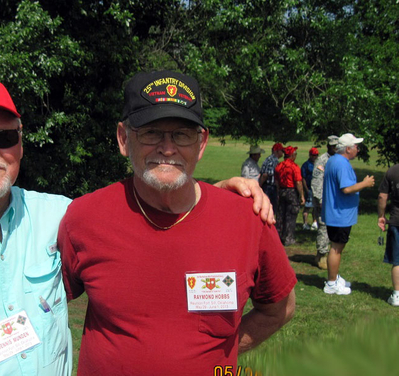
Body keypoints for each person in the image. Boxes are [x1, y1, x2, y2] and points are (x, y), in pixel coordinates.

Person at [0, 76, 274, 376]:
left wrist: (218, 193)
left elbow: (150, 195)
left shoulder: (62, 216)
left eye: (4, 137)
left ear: (20, 142)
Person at [58, 70, 296, 376]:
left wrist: (217, 355)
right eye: (151, 132)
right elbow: (44, 305)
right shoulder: (84, 217)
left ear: (201, 142)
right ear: (123, 138)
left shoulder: (247, 219)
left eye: (182, 134)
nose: (167, 148)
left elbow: (281, 308)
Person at [322, 133, 375, 295]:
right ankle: (331, 284)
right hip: (339, 214)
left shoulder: (333, 160)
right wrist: (365, 184)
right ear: (348, 149)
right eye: (356, 146)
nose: (358, 149)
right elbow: (346, 189)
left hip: (336, 212)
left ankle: (334, 277)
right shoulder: (342, 164)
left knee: (337, 246)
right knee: (336, 248)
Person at [311, 135, 339, 269]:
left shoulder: (337, 159)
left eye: (337, 146)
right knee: (323, 227)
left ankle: (326, 253)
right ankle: (322, 255)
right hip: (323, 200)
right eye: (333, 146)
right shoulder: (322, 160)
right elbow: (317, 182)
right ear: (328, 146)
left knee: (331, 227)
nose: (335, 148)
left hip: (334, 200)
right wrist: (320, 200)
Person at [377, 163, 399, 306]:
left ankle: (397, 295)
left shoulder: (393, 171)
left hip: (397, 220)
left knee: (397, 260)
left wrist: (381, 216)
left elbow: (382, 197)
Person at [275, 146, 305, 246]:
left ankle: (279, 236)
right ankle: (289, 238)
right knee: (291, 215)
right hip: (291, 192)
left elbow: (276, 181)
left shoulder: (279, 166)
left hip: (282, 191)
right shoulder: (294, 167)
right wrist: (302, 196)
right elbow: (298, 182)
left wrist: (278, 192)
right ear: (292, 155)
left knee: (280, 215)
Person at [260, 142, 285, 215]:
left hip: (268, 186)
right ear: (276, 151)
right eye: (281, 151)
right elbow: (266, 174)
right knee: (270, 207)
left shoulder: (268, 159)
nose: (282, 153)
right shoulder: (273, 161)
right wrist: (259, 185)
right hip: (269, 187)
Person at [301, 147, 319, 230]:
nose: (314, 157)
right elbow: (303, 178)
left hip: (317, 188)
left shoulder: (319, 164)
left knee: (316, 206)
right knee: (308, 206)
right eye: (313, 155)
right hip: (309, 188)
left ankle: (315, 222)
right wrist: (306, 189)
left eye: (316, 155)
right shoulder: (306, 165)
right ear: (310, 155)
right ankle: (305, 223)